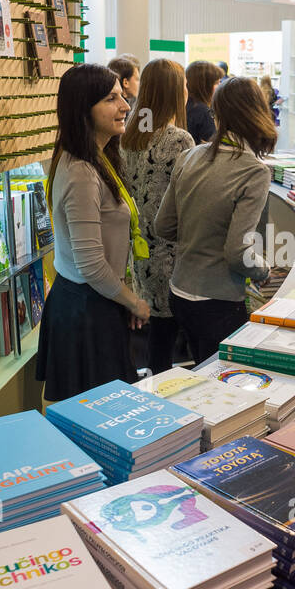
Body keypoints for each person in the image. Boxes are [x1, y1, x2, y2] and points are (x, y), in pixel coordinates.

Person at [37, 64, 150, 403]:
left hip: (100, 301)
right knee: (96, 420)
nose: (125, 106)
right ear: (83, 108)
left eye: (122, 96)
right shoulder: (81, 172)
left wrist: (123, 296)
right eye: (111, 99)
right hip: (85, 311)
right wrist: (135, 302)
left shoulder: (99, 159)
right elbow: (90, 263)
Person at [155, 77, 274, 364]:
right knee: (225, 389)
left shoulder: (189, 156)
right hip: (219, 302)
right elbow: (237, 253)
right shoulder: (253, 171)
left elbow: (163, 226)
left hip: (179, 293)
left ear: (216, 112)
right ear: (259, 112)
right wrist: (263, 269)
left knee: (203, 377)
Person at [121, 58, 194, 375]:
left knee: (157, 342)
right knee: (176, 336)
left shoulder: (127, 135)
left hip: (139, 249)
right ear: (175, 91)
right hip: (172, 251)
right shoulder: (179, 139)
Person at [185, 60, 224, 144]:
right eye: (217, 83)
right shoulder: (203, 112)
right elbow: (212, 145)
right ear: (205, 86)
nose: (220, 86)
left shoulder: (184, 104)